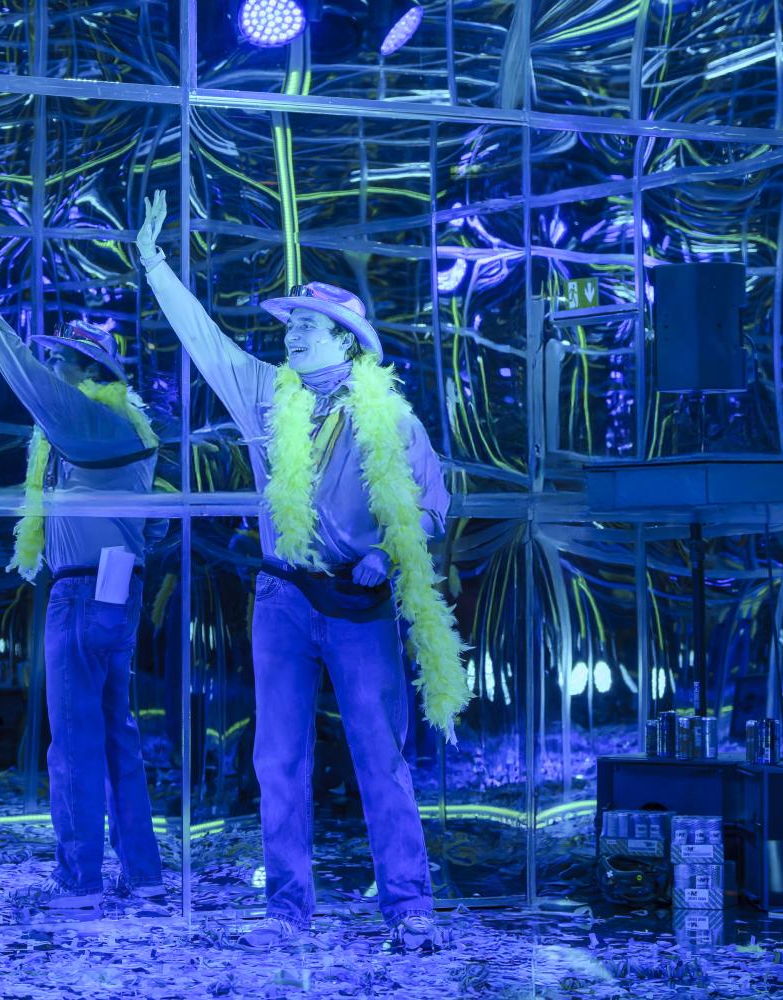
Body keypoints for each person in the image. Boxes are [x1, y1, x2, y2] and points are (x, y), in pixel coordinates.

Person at [135, 190, 470, 951]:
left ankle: (409, 906)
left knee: (380, 756)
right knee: (277, 758)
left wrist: (385, 554)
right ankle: (286, 912)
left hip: (358, 601)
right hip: (282, 596)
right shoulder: (265, 395)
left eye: (307, 326)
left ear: (346, 341)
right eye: (289, 325)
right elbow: (205, 340)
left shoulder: (393, 419)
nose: (291, 334)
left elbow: (431, 507)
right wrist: (153, 264)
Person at [0, 222, 165, 912]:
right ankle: (143, 875)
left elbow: (23, 376)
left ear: (91, 378)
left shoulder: (90, 423)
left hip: (84, 592)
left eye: (64, 362)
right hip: (115, 586)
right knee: (115, 733)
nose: (54, 370)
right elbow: (144, 521)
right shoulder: (117, 433)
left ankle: (80, 881)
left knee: (75, 741)